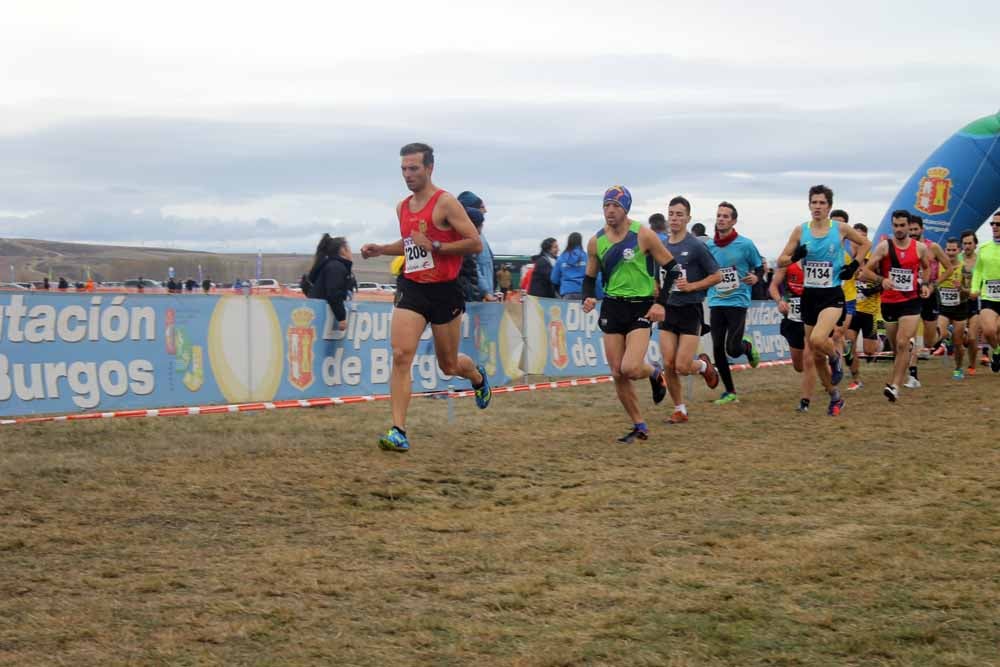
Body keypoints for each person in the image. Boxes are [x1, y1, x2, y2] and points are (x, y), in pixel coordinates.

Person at [360, 142, 491, 453]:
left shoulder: (445, 203)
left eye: (414, 168)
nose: (408, 175)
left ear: (429, 168)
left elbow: (474, 243)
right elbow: (410, 245)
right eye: (404, 169)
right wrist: (381, 248)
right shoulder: (402, 207)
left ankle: (476, 375)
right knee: (401, 354)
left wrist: (437, 246)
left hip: (445, 290)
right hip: (413, 286)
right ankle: (398, 431)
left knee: (448, 365)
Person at [581, 185, 678, 442]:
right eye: (606, 205)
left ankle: (655, 373)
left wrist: (661, 304)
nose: (609, 211)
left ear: (626, 209)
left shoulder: (643, 235)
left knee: (631, 368)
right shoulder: (596, 241)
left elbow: (673, 268)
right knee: (617, 372)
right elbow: (589, 277)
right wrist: (587, 296)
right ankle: (639, 425)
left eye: (615, 206)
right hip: (612, 306)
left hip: (641, 305)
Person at [777, 185, 870, 416]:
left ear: (829, 206)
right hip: (809, 296)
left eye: (822, 203)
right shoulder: (801, 231)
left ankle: (837, 356)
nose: (817, 207)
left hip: (832, 295)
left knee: (819, 339)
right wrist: (795, 256)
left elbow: (866, 244)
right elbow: (781, 260)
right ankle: (834, 397)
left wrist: (854, 265)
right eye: (814, 202)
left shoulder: (840, 228)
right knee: (816, 354)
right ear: (809, 205)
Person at [656, 196, 722, 424]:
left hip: (690, 309)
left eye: (679, 214)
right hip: (668, 310)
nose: (674, 218)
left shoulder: (695, 246)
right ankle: (680, 409)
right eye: (671, 214)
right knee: (668, 363)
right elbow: (657, 275)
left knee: (683, 366)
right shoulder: (661, 246)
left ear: (688, 218)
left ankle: (704, 366)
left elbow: (717, 275)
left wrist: (692, 286)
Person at [859, 210, 931, 402]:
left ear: (909, 226)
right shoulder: (884, 247)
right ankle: (901, 368)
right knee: (896, 347)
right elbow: (865, 271)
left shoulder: (920, 248)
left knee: (902, 342)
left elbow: (927, 268)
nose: (899, 229)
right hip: (890, 302)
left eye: (902, 225)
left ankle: (895, 386)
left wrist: (924, 284)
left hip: (911, 301)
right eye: (896, 226)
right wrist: (881, 280)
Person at [705, 201, 764, 404]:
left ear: (734, 221)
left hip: (738, 301)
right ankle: (730, 392)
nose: (721, 219)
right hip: (715, 301)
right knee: (717, 348)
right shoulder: (709, 246)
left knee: (733, 348)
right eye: (719, 215)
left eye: (725, 216)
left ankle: (746, 347)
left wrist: (756, 278)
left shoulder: (745, 244)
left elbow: (760, 266)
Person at [905, 214, 953, 387]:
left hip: (930, 295)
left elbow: (949, 269)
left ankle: (943, 334)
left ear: (922, 229)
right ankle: (913, 375)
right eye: (910, 230)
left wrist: (934, 285)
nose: (913, 233)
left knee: (929, 342)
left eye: (915, 230)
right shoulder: (905, 248)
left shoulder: (933, 247)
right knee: (910, 335)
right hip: (911, 294)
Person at [769, 260, 817, 412]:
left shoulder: (818, 262)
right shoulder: (787, 264)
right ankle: (823, 368)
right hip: (793, 320)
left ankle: (806, 400)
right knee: (799, 366)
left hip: (813, 318)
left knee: (809, 359)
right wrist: (779, 301)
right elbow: (773, 286)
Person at [846, 223, 882, 390]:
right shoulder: (846, 257)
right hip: (852, 309)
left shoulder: (873, 259)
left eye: (862, 237)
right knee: (849, 344)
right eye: (856, 236)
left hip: (869, 311)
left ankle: (878, 344)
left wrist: (872, 288)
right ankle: (856, 379)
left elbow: (884, 281)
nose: (858, 240)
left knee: (869, 351)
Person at [970, 210, 1000, 372]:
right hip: (989, 296)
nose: (994, 227)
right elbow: (978, 272)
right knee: (989, 331)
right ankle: (997, 352)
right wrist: (975, 288)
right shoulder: (984, 248)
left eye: (998, 224)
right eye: (992, 224)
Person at [936, 237, 971, 379]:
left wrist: (961, 288)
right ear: (944, 250)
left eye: (953, 250)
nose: (950, 253)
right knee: (941, 333)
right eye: (948, 250)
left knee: (958, 343)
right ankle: (947, 335)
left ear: (959, 251)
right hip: (944, 308)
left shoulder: (964, 269)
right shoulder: (939, 266)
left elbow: (969, 292)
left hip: (960, 308)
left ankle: (958, 368)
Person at [307, 234, 354, 331]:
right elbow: (334, 293)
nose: (351, 252)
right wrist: (341, 318)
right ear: (343, 250)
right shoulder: (336, 267)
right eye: (349, 248)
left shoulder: (333, 266)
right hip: (321, 320)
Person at [458, 191, 496, 300]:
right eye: (481, 207)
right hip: (477, 297)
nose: (485, 210)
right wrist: (486, 292)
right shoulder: (470, 238)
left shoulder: (478, 235)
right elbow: (475, 267)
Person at [960, 230, 981, 374]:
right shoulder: (956, 258)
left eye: (969, 243)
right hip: (958, 303)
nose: (967, 246)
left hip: (975, 301)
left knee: (973, 338)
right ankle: (958, 364)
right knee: (959, 338)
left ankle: (972, 364)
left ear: (975, 244)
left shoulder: (980, 260)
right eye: (964, 243)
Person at [457, 207, 486, 301]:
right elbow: (470, 278)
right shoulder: (467, 247)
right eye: (480, 226)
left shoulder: (460, 243)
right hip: (466, 299)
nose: (480, 231)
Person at [551, 232, 588, 299]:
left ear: (569, 241)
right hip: (584, 293)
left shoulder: (562, 257)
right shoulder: (586, 257)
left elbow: (554, 279)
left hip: (567, 293)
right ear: (580, 241)